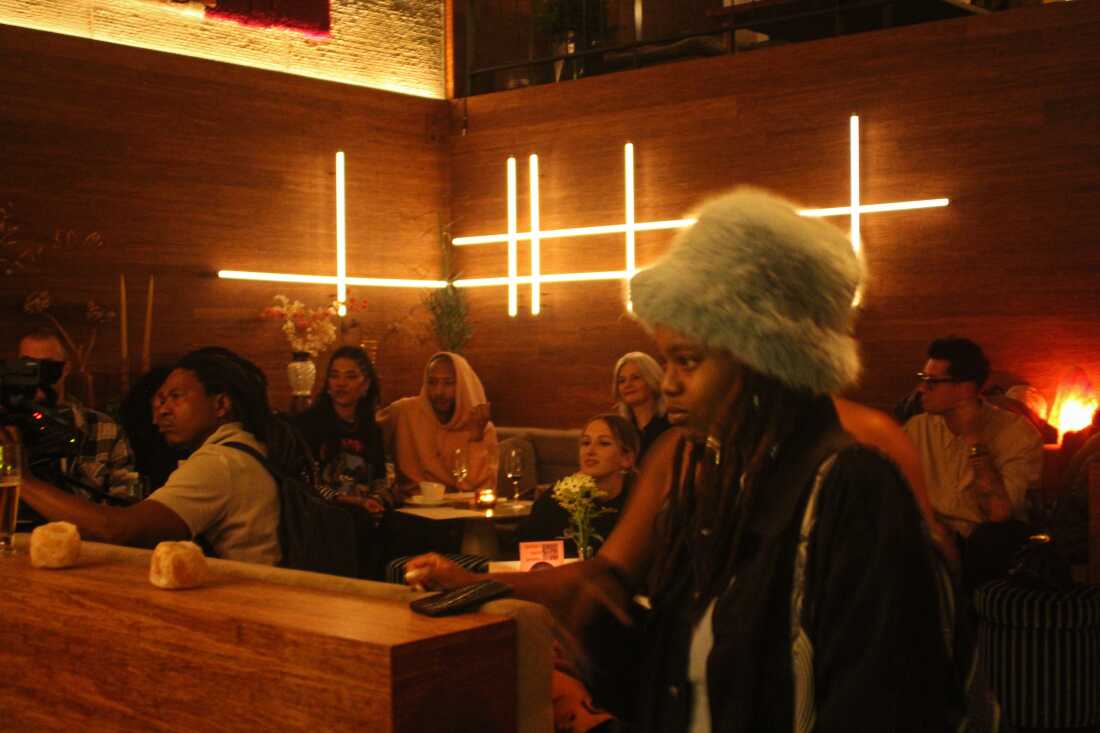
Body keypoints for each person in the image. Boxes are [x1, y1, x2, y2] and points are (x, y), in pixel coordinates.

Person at [408, 189, 958, 731]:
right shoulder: (709, 473)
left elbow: (882, 695)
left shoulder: (850, 484)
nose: (667, 384)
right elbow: (672, 650)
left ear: (764, 359)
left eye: (688, 361)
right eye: (667, 360)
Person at [15, 350, 284, 565]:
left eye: (176, 397)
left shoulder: (219, 463)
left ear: (221, 404)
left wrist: (21, 478)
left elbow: (117, 531)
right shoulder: (247, 449)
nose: (162, 412)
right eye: (160, 400)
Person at [903, 337, 1043, 586]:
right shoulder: (916, 429)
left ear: (965, 389)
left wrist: (973, 438)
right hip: (931, 538)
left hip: (990, 545)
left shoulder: (1018, 433)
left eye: (932, 382)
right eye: (922, 379)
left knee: (992, 540)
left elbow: (998, 514)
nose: (921, 389)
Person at [15, 327, 135, 501]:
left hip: (81, 527)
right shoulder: (7, 427)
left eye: (47, 367)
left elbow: (125, 506)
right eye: (27, 365)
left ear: (65, 369)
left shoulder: (105, 430)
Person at [291, 346, 394, 519]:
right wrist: (347, 500)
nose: (341, 383)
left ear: (366, 385)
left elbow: (380, 480)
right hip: (321, 516)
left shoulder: (371, 428)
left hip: (362, 516)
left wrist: (376, 498)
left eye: (351, 376)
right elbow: (302, 482)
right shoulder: (308, 423)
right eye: (334, 376)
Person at [377, 351, 498, 496]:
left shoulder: (480, 425)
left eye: (448, 383)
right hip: (409, 509)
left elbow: (481, 491)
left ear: (463, 386)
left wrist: (476, 438)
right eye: (432, 382)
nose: (439, 391)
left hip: (458, 512)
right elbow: (366, 436)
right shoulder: (404, 412)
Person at [519, 413, 640, 557]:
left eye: (604, 443)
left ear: (626, 458)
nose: (590, 451)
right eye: (585, 443)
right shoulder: (558, 498)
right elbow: (529, 554)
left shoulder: (639, 502)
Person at [612, 352, 670, 463]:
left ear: (652, 380)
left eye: (635, 378)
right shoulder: (621, 433)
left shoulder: (670, 428)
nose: (627, 385)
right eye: (622, 381)